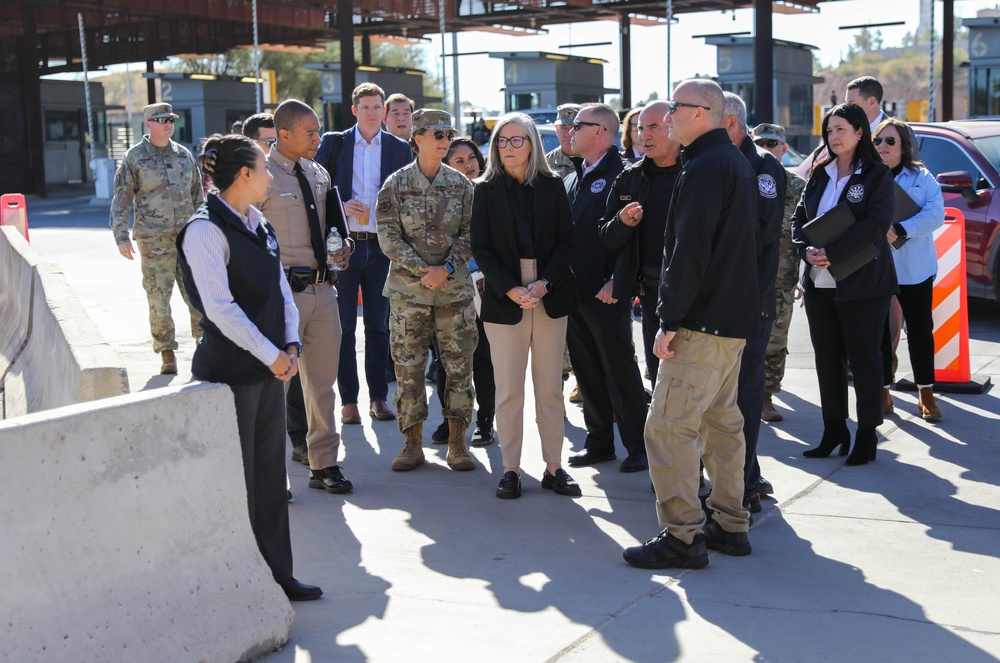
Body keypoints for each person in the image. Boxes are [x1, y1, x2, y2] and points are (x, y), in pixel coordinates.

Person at [176, 133, 322, 601]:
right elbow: (220, 309)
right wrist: (273, 354)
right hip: (232, 374)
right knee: (237, 484)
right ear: (244, 175)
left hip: (269, 368)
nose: (269, 176)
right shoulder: (204, 230)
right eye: (263, 168)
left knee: (268, 480)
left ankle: (278, 576)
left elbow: (280, 288)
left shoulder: (257, 221)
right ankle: (238, 586)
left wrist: (292, 343)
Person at [623, 79, 758, 570]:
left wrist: (669, 318)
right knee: (722, 424)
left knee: (666, 428)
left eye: (675, 108)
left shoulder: (704, 166)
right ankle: (729, 523)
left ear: (700, 113)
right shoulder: (733, 162)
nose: (667, 117)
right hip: (730, 319)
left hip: (700, 322)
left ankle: (683, 535)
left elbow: (689, 251)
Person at [471, 113, 580, 499]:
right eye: (501, 141)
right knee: (509, 389)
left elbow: (568, 241)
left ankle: (554, 467)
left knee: (549, 388)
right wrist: (509, 288)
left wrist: (544, 283)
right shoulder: (484, 189)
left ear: (532, 144)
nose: (507, 148)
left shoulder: (552, 186)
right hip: (505, 296)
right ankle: (511, 469)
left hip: (548, 291)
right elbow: (480, 247)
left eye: (516, 141)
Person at [793, 103, 897, 466]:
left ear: (859, 132)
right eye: (829, 131)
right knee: (827, 359)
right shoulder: (820, 173)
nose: (834, 137)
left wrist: (833, 252)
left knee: (864, 359)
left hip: (863, 283)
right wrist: (805, 249)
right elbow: (799, 218)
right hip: (819, 281)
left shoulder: (876, 175)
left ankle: (867, 435)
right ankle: (833, 428)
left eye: (841, 129)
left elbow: (875, 224)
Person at [260, 99, 354, 495]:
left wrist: (344, 245)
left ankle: (324, 464)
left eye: (318, 131)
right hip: (282, 294)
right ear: (283, 135)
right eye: (309, 132)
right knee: (273, 387)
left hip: (323, 290)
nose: (318, 138)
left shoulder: (317, 172)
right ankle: (268, 474)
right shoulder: (259, 176)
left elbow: (334, 226)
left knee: (321, 385)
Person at [376, 109, 478, 473]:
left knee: (458, 368)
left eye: (448, 134)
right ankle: (412, 443)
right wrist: (424, 270)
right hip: (409, 293)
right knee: (408, 370)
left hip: (454, 294)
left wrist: (446, 268)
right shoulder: (396, 184)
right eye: (438, 134)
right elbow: (387, 236)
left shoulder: (462, 185)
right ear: (417, 138)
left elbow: (472, 233)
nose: (445, 140)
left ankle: (457, 443)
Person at [315, 83, 413, 425]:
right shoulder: (334, 142)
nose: (372, 112)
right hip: (344, 245)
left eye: (377, 106)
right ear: (354, 110)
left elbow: (408, 197)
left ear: (383, 111)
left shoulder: (400, 149)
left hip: (383, 247)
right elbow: (316, 190)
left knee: (378, 325)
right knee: (342, 326)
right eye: (366, 106)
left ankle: (378, 397)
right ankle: (349, 401)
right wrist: (341, 206)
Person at [563, 102, 649, 475]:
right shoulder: (574, 175)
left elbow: (634, 236)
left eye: (577, 125)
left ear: (600, 131)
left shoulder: (626, 174)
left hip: (606, 292)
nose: (570, 130)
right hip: (574, 291)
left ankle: (639, 446)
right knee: (587, 370)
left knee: (619, 370)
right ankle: (599, 441)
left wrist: (618, 279)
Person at [721, 92, 786, 514]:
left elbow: (760, 236)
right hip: (719, 302)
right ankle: (748, 474)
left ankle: (742, 484)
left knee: (744, 395)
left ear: (729, 122)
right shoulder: (712, 162)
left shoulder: (764, 167)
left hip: (749, 300)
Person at [110, 102, 204, 375]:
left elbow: (198, 196)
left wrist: (206, 230)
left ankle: (204, 346)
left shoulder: (184, 155)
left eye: (171, 119)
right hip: (153, 241)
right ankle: (167, 353)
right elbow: (122, 199)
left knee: (197, 294)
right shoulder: (134, 157)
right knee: (158, 299)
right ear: (148, 124)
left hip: (187, 239)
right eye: (162, 120)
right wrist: (120, 235)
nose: (168, 124)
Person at [598, 101, 682, 388]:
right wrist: (622, 222)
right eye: (640, 128)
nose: (644, 135)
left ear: (674, 126)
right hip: (650, 293)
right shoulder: (631, 177)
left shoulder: (697, 172)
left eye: (653, 127)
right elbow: (607, 235)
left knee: (694, 379)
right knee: (660, 375)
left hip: (696, 291)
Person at [873, 118, 945, 421]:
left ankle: (925, 394)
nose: (883, 147)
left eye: (890, 141)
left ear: (903, 145)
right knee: (879, 334)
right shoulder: (866, 177)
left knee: (919, 331)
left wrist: (903, 227)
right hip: (877, 268)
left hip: (915, 269)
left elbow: (935, 215)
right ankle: (883, 392)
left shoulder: (922, 177)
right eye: (878, 141)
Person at [440, 138, 495, 445]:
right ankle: (451, 420)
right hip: (449, 288)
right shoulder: (440, 195)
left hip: (486, 287)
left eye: (471, 157)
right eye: (459, 160)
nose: (468, 164)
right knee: (446, 360)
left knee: (484, 358)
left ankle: (485, 421)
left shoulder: (491, 190)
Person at [752, 123, 807, 424]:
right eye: (761, 143)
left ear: (784, 149)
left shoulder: (797, 186)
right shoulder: (744, 177)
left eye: (773, 144)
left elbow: (807, 232)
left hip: (781, 278)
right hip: (746, 277)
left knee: (774, 341)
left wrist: (803, 276)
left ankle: (766, 396)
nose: (767, 148)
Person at [545, 103, 580, 179]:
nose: (568, 134)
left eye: (573, 128)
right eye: (563, 128)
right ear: (557, 130)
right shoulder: (546, 164)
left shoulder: (593, 161)